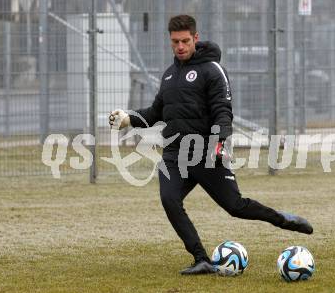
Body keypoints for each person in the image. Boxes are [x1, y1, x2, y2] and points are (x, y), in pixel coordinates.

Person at [109, 14, 313, 275]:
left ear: (195, 38)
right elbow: (155, 112)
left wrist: (220, 141)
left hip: (206, 154)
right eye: (174, 42)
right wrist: (129, 118)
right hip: (174, 156)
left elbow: (222, 110)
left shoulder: (212, 70)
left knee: (235, 207)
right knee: (170, 200)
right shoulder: (169, 75)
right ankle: (201, 259)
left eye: (184, 41)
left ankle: (283, 219)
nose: (180, 47)